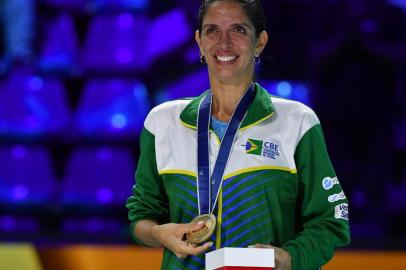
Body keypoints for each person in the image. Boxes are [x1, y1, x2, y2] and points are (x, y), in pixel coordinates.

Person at [126, 1, 350, 269]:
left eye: (238, 30)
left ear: (260, 42)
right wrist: (159, 233)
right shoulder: (162, 122)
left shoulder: (297, 122)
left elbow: (330, 221)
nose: (224, 42)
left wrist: (290, 258)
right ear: (199, 41)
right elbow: (141, 218)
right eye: (212, 30)